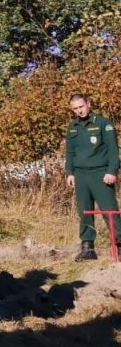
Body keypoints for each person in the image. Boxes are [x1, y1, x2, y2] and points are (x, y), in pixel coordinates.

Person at [64, 93, 120, 261]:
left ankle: (119, 243)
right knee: (84, 212)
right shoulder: (72, 127)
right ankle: (88, 248)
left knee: (110, 211)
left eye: (81, 106)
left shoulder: (103, 123)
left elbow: (113, 150)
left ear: (88, 103)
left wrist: (112, 171)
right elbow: (70, 153)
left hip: (101, 174)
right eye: (75, 108)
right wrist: (70, 173)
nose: (79, 111)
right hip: (81, 175)